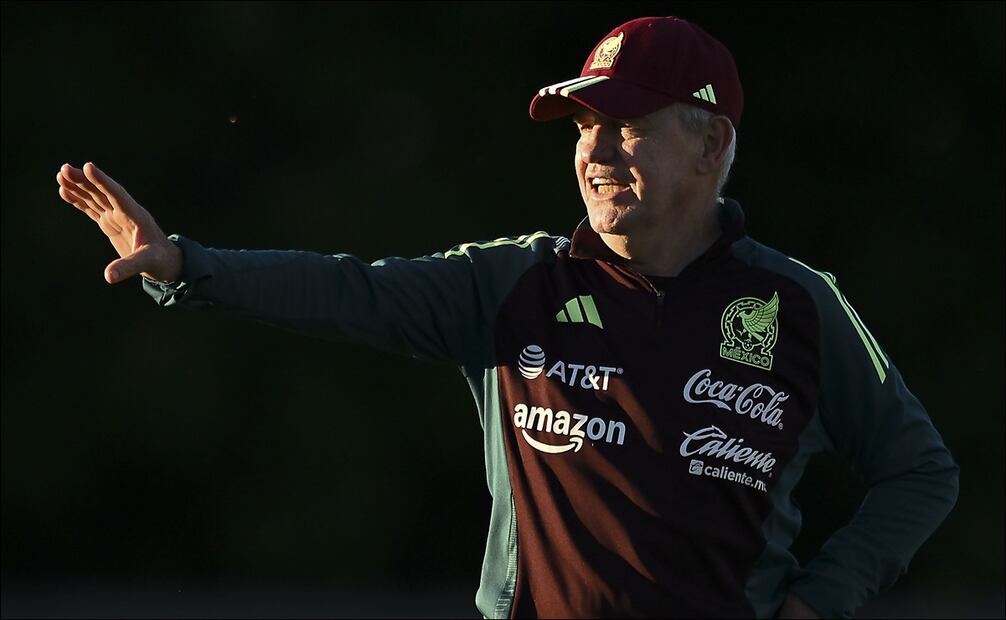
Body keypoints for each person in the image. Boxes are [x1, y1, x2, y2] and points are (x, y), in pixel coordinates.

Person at [56, 15, 958, 620]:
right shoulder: (514, 284)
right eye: (582, 127)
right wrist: (187, 265)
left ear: (710, 143)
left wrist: (818, 601)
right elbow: (349, 289)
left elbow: (920, 472)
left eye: (627, 125)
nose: (596, 151)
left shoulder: (799, 304)